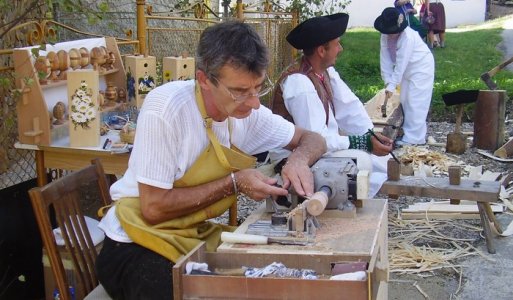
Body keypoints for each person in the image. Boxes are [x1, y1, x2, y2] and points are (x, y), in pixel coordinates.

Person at [96, 21, 326, 299]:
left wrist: (298, 160)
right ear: (204, 79)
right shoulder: (166, 109)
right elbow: (153, 208)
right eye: (239, 91)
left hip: (189, 234)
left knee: (270, 278)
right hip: (134, 245)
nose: (254, 102)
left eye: (258, 87)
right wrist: (234, 183)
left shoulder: (248, 113)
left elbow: (313, 139)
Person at [269, 13, 394, 198]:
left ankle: (347, 199)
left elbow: (350, 108)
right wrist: (361, 143)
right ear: (321, 50)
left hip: (318, 148)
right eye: (337, 43)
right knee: (363, 162)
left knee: (380, 160)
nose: (341, 48)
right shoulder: (299, 84)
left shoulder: (325, 72)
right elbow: (315, 140)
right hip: (293, 159)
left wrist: (371, 135)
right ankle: (334, 200)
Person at [374, 7, 434, 146]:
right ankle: (408, 133)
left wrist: (393, 84)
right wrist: (387, 82)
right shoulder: (384, 36)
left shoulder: (408, 36)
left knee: (416, 101)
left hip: (421, 67)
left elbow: (401, 63)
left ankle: (415, 138)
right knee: (405, 99)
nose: (390, 34)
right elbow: (385, 60)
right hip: (407, 69)